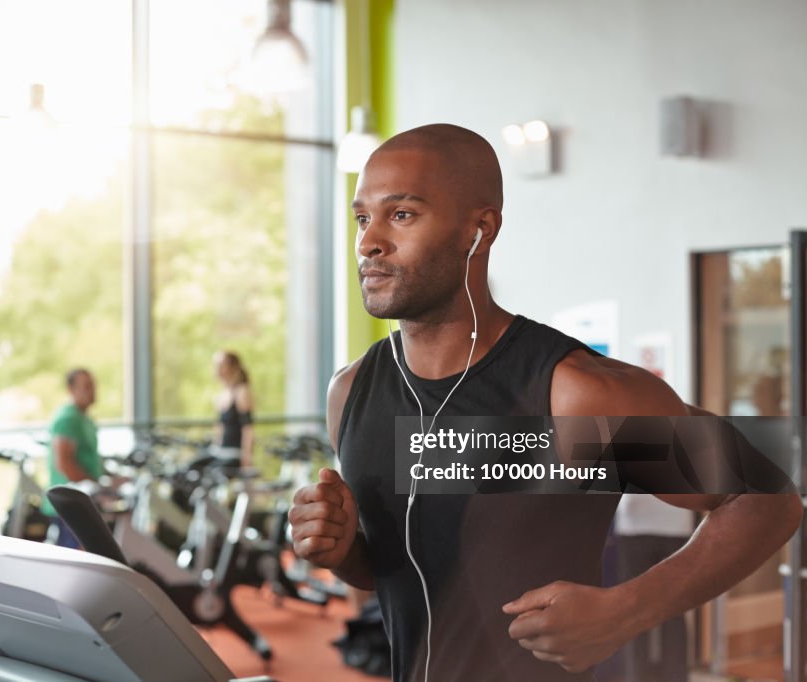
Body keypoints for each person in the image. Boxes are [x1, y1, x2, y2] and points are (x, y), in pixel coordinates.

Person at [288, 124, 802, 681]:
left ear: (477, 230)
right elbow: (395, 567)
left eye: (402, 215)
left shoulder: (569, 395)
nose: (368, 242)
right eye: (363, 218)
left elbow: (766, 498)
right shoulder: (353, 392)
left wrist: (627, 609)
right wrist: (342, 551)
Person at [614, 495, 694, 682]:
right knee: (673, 609)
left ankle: (637, 677)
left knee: (633, 610)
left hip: (638, 521)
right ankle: (674, 677)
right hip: (670, 522)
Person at [42, 367, 102, 549]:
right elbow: (64, 464)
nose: (92, 391)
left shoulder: (85, 419)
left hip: (85, 501)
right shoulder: (67, 419)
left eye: (93, 386)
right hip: (70, 505)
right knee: (74, 563)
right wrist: (97, 485)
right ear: (71, 390)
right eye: (86, 386)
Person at [212, 350, 254, 467]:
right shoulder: (222, 394)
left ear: (233, 367)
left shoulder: (241, 392)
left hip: (233, 453)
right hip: (219, 451)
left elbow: (248, 428)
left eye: (221, 365)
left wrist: (247, 458)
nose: (217, 369)